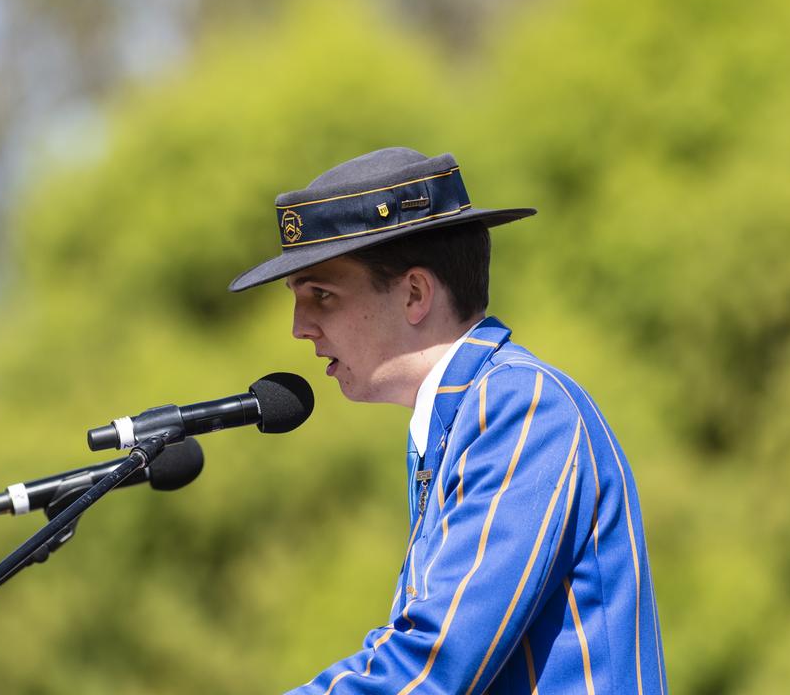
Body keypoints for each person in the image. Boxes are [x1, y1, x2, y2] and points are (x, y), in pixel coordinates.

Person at [229, 147, 666, 694]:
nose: (299, 327)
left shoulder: (522, 405)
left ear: (415, 293)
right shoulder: (465, 417)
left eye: (322, 294)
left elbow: (433, 664)